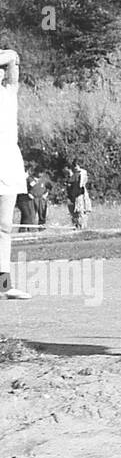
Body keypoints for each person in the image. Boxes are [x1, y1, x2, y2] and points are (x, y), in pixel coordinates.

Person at [0, 50, 30, 300]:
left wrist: (5, 59)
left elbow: (12, 56)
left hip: (7, 165)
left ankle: (3, 285)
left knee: (4, 228)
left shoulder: (8, 92)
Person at [66, 162, 92, 231]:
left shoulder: (81, 173)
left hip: (80, 195)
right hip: (73, 196)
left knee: (81, 212)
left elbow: (81, 183)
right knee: (75, 213)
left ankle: (82, 227)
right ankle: (76, 226)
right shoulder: (73, 175)